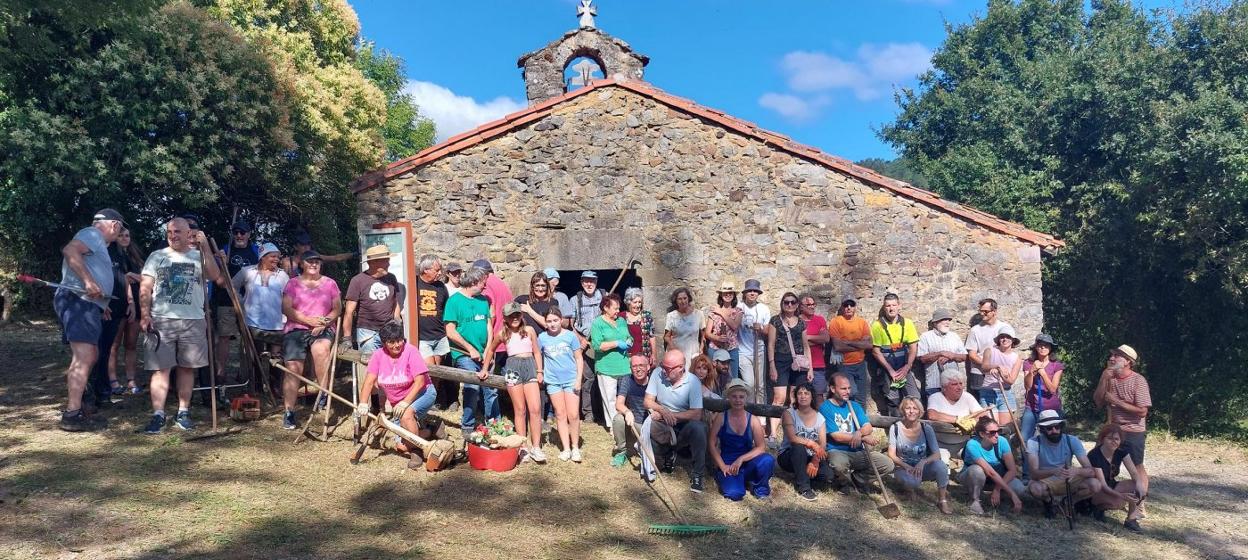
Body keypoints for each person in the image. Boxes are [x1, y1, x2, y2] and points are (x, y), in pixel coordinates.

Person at [140, 217, 222, 434]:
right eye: (169, 232)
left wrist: (205, 246)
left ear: (189, 234)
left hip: (193, 319)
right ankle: (158, 414)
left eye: (177, 231)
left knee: (187, 367)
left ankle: (183, 411)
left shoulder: (199, 255)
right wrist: (145, 314)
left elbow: (215, 276)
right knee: (160, 369)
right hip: (161, 319)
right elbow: (146, 287)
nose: (173, 235)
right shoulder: (157, 256)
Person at [55, 209, 124, 431]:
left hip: (87, 304)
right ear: (114, 225)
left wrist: (100, 305)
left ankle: (78, 407)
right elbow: (70, 250)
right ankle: (72, 414)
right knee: (85, 356)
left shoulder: (98, 243)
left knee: (88, 355)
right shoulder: (93, 234)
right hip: (77, 301)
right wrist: (88, 282)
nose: (120, 233)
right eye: (120, 228)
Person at [356, 321, 437, 470]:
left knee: (407, 415)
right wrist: (363, 403)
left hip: (422, 393)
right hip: (398, 403)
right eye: (391, 342)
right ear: (384, 343)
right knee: (401, 446)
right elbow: (368, 382)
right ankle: (432, 429)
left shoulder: (411, 351)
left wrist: (405, 402)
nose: (397, 345)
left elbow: (420, 382)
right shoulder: (378, 356)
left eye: (399, 340)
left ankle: (417, 451)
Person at [279, 250, 341, 430]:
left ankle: (323, 393)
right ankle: (289, 411)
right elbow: (286, 308)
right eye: (310, 261)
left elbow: (337, 308)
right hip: (296, 328)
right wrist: (308, 321)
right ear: (302, 264)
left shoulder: (330, 283)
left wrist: (325, 321)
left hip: (323, 328)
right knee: (293, 367)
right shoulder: (292, 284)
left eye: (317, 262)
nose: (314, 264)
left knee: (321, 350)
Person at [1092, 344, 1152, 519]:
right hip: (1112, 428)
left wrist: (1116, 401)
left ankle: (1140, 504)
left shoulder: (1138, 381)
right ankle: (1099, 498)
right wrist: (1103, 378)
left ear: (1128, 362)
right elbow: (1098, 401)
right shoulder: (1109, 378)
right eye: (1111, 355)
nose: (1111, 358)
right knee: (1099, 463)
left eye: (1117, 356)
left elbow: (1142, 411)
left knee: (1137, 467)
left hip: (1132, 430)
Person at [482, 303, 546, 463]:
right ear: (506, 318)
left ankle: (536, 447)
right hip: (512, 368)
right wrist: (485, 368)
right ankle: (522, 446)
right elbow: (491, 350)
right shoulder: (503, 333)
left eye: (517, 314)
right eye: (511, 316)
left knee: (536, 408)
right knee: (519, 409)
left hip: (529, 366)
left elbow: (537, 352)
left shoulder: (529, 331)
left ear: (521, 315)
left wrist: (540, 371)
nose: (515, 318)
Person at [640, 349, 707, 493]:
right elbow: (647, 401)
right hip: (662, 423)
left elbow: (696, 414)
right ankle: (667, 454)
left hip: (683, 426)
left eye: (667, 368)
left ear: (681, 368)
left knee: (699, 428)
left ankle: (697, 474)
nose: (663, 371)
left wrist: (672, 415)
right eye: (663, 366)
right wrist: (663, 411)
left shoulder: (693, 382)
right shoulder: (657, 373)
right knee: (647, 429)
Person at [443, 266, 498, 437]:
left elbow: (489, 327)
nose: (485, 287)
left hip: (484, 353)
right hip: (464, 354)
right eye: (483, 283)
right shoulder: (454, 301)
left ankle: (495, 424)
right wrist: (470, 348)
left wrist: (489, 349)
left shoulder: (483, 301)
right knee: (472, 386)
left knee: (491, 388)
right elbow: (450, 331)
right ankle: (468, 425)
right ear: (473, 282)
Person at [820, 373, 894, 493]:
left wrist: (859, 433)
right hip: (837, 451)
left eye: (849, 388)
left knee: (887, 464)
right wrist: (864, 438)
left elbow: (868, 427)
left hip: (858, 451)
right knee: (838, 464)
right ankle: (843, 483)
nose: (848, 391)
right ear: (833, 389)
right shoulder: (825, 407)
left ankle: (857, 479)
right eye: (843, 388)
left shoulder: (854, 405)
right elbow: (836, 436)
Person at [86, 227, 133, 410]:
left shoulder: (121, 254)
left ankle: (103, 393)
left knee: (104, 351)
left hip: (119, 308)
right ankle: (89, 395)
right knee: (95, 352)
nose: (120, 236)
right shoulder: (100, 251)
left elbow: (123, 279)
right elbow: (95, 279)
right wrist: (102, 304)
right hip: (103, 308)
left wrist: (130, 302)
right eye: (118, 232)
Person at [1025, 410, 1103, 518]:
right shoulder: (1033, 442)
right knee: (1035, 489)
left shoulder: (1072, 440)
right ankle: (1049, 502)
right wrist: (1053, 471)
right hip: (1045, 480)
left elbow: (1090, 471)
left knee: (1095, 485)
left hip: (1068, 479)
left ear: (1061, 426)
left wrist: (1076, 471)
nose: (1054, 431)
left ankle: (1069, 502)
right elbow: (1034, 474)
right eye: (1049, 428)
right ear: (1042, 429)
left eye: (1057, 427)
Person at [211, 220, 261, 384]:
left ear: (249, 234)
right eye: (236, 232)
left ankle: (245, 373)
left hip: (249, 302)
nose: (239, 235)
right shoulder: (224, 251)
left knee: (248, 337)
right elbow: (217, 278)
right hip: (226, 301)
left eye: (243, 232)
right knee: (224, 337)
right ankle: (221, 373)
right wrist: (222, 263)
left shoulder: (256, 252)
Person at [710, 379, 775, 501]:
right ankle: (733, 481)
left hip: (747, 461)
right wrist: (722, 466)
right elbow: (711, 443)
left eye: (741, 397)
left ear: (746, 399)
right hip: (728, 463)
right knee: (735, 494)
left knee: (768, 460)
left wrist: (741, 459)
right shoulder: (721, 417)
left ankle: (760, 489)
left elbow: (761, 447)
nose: (738, 400)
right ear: (728, 398)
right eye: (734, 397)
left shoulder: (753, 420)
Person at [888, 396, 952, 513]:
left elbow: (936, 454)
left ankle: (942, 500)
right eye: (908, 408)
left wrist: (923, 462)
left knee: (941, 466)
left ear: (920, 412)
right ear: (903, 410)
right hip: (903, 468)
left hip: (922, 467)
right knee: (913, 482)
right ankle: (909, 491)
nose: (911, 411)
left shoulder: (926, 428)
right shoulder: (895, 427)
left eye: (915, 408)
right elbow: (891, 454)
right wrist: (906, 466)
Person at [230, 243, 288, 370]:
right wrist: (240, 301)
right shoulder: (248, 272)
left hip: (276, 323)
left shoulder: (282, 275)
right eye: (273, 256)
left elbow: (289, 295)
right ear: (263, 257)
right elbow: (232, 285)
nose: (276, 260)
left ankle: (273, 387)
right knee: (254, 358)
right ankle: (255, 386)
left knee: (276, 360)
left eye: (278, 257)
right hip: (253, 322)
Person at [343, 245, 405, 359]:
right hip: (367, 332)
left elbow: (395, 299)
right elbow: (349, 312)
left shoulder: (391, 278)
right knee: (370, 368)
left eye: (388, 260)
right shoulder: (357, 281)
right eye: (385, 261)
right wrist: (347, 338)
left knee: (391, 366)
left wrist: (396, 319)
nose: (389, 264)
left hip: (388, 330)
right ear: (373, 262)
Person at [538, 308, 584, 462]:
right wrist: (540, 372)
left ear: (561, 320)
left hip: (571, 380)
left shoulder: (570, 336)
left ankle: (575, 447)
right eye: (549, 321)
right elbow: (538, 355)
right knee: (560, 414)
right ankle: (566, 448)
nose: (552, 324)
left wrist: (578, 379)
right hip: (553, 381)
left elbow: (578, 358)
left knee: (573, 414)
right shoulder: (542, 338)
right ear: (545, 322)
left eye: (555, 320)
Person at [767, 291, 812, 441]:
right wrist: (772, 365)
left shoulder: (801, 323)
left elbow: (806, 346)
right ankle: (773, 433)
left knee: (795, 398)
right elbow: (771, 344)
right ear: (782, 304)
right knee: (779, 398)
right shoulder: (775, 321)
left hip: (798, 363)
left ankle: (794, 431)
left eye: (793, 302)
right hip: (780, 361)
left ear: (797, 304)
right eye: (787, 302)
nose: (790, 305)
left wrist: (810, 367)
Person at [959, 416, 1025, 515]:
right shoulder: (972, 445)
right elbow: (989, 471)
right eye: (992, 433)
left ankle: (996, 498)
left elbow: (1012, 470)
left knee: (1019, 488)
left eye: (998, 431)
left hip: (995, 479)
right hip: (973, 476)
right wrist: (1012, 495)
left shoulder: (1002, 441)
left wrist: (997, 489)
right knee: (977, 470)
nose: (997, 435)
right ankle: (974, 500)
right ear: (981, 434)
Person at [1088, 423, 1147, 532]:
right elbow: (1103, 486)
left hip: (1112, 484)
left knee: (1135, 485)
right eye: (1110, 438)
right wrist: (1122, 496)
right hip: (1097, 489)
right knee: (1118, 503)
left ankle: (1131, 519)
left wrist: (1140, 486)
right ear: (1102, 439)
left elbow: (1134, 473)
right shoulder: (1094, 455)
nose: (1114, 441)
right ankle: (1097, 508)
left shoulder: (1121, 452)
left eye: (1117, 439)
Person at [778, 382, 831, 501]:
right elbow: (792, 437)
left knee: (827, 476)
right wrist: (811, 443)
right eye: (800, 393)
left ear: (812, 396)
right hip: (789, 455)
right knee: (798, 447)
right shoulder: (789, 413)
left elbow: (822, 444)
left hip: (810, 456)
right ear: (796, 396)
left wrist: (815, 461)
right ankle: (804, 487)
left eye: (806, 393)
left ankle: (802, 474)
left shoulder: (820, 417)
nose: (803, 396)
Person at [870, 293, 920, 415]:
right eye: (888, 306)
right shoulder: (877, 325)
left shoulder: (907, 323)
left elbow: (913, 347)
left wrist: (907, 367)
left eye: (893, 305)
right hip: (887, 369)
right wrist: (890, 371)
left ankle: (914, 429)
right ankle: (894, 429)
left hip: (904, 367)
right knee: (893, 400)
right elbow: (876, 351)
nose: (891, 308)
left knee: (915, 397)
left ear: (899, 306)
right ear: (884, 307)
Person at [110, 227, 146, 394]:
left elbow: (147, 279)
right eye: (121, 235)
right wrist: (126, 278)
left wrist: (134, 276)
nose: (125, 238)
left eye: (127, 235)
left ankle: (131, 380)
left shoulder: (136, 257)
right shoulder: (111, 255)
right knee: (114, 344)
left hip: (136, 303)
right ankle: (112, 380)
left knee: (131, 344)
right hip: (118, 303)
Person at [590, 293, 633, 431]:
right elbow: (597, 345)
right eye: (615, 308)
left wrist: (629, 341)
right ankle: (614, 428)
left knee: (625, 397)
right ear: (605, 308)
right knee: (610, 399)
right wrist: (616, 343)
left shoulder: (621, 321)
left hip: (624, 365)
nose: (617, 311)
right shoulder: (597, 323)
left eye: (618, 308)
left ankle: (627, 423)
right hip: (606, 367)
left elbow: (628, 336)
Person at [571, 271, 605, 422]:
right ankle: (588, 413)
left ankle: (604, 413)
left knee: (605, 379)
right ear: (581, 282)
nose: (589, 284)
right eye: (586, 281)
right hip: (585, 344)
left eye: (592, 281)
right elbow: (570, 325)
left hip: (603, 344)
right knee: (588, 379)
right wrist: (580, 339)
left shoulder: (605, 297)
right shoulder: (575, 300)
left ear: (596, 282)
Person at [1020, 333, 1064, 445]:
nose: (1043, 348)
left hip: (1051, 408)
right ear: (1036, 347)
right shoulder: (1028, 363)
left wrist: (1043, 373)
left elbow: (1053, 389)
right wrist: (1031, 372)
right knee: (1025, 439)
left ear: (1050, 348)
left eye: (1046, 345)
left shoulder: (1057, 365)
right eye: (1040, 345)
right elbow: (1027, 386)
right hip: (1032, 407)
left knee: (1052, 438)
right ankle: (1028, 461)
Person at [965, 298, 1016, 394]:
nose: (982, 313)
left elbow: (1010, 349)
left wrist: (1000, 369)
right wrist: (989, 366)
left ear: (994, 312)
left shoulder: (1004, 328)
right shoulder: (975, 330)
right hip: (979, 373)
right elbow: (972, 355)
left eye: (986, 311)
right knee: (980, 405)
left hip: (999, 373)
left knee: (1002, 401)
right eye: (981, 311)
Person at [829, 298, 873, 407]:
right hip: (844, 365)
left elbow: (869, 345)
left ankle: (861, 421)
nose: (848, 307)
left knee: (861, 397)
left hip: (860, 364)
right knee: (851, 393)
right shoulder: (836, 322)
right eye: (846, 305)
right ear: (842, 307)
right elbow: (838, 346)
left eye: (851, 305)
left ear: (855, 307)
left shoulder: (861, 322)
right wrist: (859, 345)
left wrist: (847, 342)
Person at [612, 355, 652, 468]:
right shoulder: (627, 380)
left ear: (648, 367)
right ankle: (621, 452)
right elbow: (619, 404)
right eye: (634, 366)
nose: (638, 369)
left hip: (648, 427)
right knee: (618, 419)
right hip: (633, 423)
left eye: (641, 365)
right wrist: (627, 412)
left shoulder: (654, 381)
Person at [917, 308, 966, 397]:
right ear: (935, 322)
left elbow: (964, 356)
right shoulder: (926, 337)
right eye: (944, 320)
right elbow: (922, 358)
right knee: (935, 410)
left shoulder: (954, 336)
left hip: (953, 384)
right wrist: (940, 353)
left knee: (954, 410)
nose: (947, 322)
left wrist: (951, 356)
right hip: (934, 384)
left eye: (948, 320)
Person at [737, 279, 772, 404]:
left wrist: (761, 328)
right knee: (750, 384)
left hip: (759, 351)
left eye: (755, 291)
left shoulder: (764, 309)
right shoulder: (738, 307)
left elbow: (768, 331)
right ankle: (750, 411)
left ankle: (761, 414)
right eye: (749, 291)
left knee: (760, 385)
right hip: (743, 352)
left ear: (758, 294)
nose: (752, 293)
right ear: (745, 293)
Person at [412, 254, 450, 368]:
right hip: (422, 338)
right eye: (437, 270)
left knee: (437, 372)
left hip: (439, 336)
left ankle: (436, 387)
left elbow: (445, 309)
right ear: (426, 270)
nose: (440, 273)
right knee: (429, 370)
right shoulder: (414, 283)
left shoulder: (441, 286)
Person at [474, 259, 513, 363]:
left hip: (495, 340)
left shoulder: (486, 284)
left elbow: (491, 314)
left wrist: (487, 342)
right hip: (505, 337)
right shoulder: (501, 283)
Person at [979, 332, 1022, 425]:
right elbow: (984, 367)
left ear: (1013, 340)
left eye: (1008, 337)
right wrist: (997, 366)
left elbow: (1011, 381)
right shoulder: (989, 350)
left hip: (1005, 393)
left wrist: (1001, 374)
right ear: (998, 339)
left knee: (1004, 428)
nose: (1004, 339)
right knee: (991, 426)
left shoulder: (1016, 358)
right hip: (988, 392)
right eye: (1002, 337)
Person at [704, 282, 742, 384]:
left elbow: (734, 326)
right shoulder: (713, 312)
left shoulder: (738, 311)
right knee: (714, 376)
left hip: (731, 348)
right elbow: (707, 333)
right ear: (721, 295)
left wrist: (721, 312)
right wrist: (717, 338)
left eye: (730, 293)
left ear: (734, 295)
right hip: (715, 349)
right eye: (725, 293)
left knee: (733, 377)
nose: (728, 295)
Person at [925, 369, 991, 425]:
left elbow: (984, 415)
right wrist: (958, 420)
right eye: (954, 384)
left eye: (961, 384)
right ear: (944, 387)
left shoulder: (967, 396)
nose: (959, 387)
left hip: (966, 437)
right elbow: (932, 415)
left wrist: (972, 422)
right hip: (941, 437)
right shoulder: (935, 397)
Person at [799, 294, 831, 406]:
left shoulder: (819, 320)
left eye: (813, 304)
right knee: (800, 396)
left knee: (819, 395)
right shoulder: (797, 321)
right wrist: (816, 339)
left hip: (818, 365)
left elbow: (826, 338)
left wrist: (807, 337)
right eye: (808, 305)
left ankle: (821, 421)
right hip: (801, 365)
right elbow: (797, 343)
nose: (812, 307)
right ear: (801, 307)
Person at [281, 231, 353, 277]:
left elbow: (335, 258)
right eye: (303, 245)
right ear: (295, 247)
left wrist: (355, 254)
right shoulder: (287, 262)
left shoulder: (315, 257)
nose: (306, 247)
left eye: (308, 244)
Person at [663, 287, 704, 368]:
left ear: (689, 298)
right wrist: (673, 349)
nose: (683, 301)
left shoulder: (698, 314)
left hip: (693, 352)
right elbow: (666, 337)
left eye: (685, 298)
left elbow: (703, 335)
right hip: (677, 351)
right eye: (680, 299)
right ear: (676, 301)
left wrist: (701, 348)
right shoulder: (671, 316)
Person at [621, 287, 660, 360]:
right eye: (635, 302)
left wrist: (654, 355)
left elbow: (652, 336)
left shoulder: (647, 316)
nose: (638, 305)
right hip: (626, 357)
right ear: (628, 303)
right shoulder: (621, 317)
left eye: (639, 302)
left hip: (644, 357)